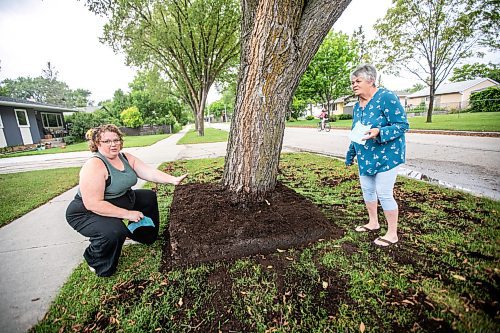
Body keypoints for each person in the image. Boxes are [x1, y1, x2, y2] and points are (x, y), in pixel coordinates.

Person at [66, 124, 187, 276]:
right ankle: (94, 258)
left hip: (120, 199)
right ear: (97, 143)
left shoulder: (125, 157)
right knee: (115, 231)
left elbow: (148, 172)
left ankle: (143, 236)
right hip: (86, 211)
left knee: (147, 196)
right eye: (107, 141)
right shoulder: (95, 165)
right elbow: (93, 203)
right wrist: (127, 214)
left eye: (116, 140)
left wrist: (172, 180)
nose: (113, 144)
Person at [345, 64, 409, 247]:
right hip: (366, 156)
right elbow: (356, 132)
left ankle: (392, 234)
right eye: (352, 82)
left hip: (387, 154)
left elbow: (402, 125)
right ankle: (373, 222)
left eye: (358, 81)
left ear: (371, 80)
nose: (354, 85)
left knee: (384, 192)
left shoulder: (386, 97)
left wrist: (379, 131)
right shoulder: (358, 106)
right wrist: (350, 153)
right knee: (367, 190)